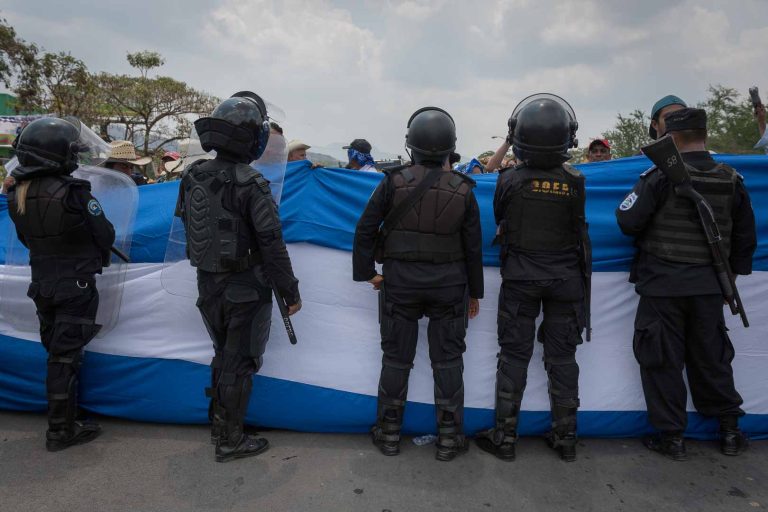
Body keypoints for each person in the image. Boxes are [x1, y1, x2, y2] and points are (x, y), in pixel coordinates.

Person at [616, 108, 756, 461]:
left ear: (672, 139)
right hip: (710, 288)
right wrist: (728, 280)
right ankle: (728, 430)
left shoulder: (660, 175)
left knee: (661, 360)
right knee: (713, 359)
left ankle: (671, 437)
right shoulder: (732, 179)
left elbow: (628, 220)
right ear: (703, 135)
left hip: (663, 287)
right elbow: (744, 240)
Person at [175, 92, 302, 463]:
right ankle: (230, 439)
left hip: (207, 283)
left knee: (222, 356)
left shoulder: (193, 173)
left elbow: (186, 221)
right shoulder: (252, 183)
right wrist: (290, 290)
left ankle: (220, 425)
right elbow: (272, 243)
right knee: (240, 361)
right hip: (245, 286)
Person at [352, 107, 484, 461]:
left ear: (411, 144)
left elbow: (365, 229)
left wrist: (369, 273)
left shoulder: (392, 181)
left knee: (396, 358)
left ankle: (390, 433)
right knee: (448, 361)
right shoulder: (464, 189)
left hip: (401, 284)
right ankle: (448, 438)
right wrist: (475, 293)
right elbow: (474, 247)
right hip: (449, 287)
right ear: (449, 147)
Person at [475, 93, 590, 462]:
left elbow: (499, 214)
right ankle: (566, 437)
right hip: (566, 280)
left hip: (522, 279)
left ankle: (504, 437)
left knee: (513, 355)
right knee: (563, 357)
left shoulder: (508, 180)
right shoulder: (576, 181)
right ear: (567, 137)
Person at [6, 117, 116, 451]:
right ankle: (60, 429)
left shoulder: (17, 196)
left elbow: (27, 240)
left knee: (56, 353)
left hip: (42, 284)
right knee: (65, 358)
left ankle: (64, 419)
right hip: (76, 285)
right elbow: (105, 234)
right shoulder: (75, 193)